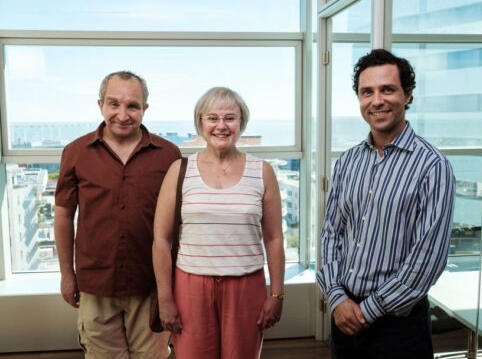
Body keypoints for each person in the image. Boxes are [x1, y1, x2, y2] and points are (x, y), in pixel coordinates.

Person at [317, 49, 456, 359]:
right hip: (344, 316)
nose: (376, 100)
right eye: (367, 92)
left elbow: (428, 258)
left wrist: (367, 311)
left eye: (387, 89)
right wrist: (337, 298)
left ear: (407, 95)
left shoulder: (433, 166)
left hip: (398, 326)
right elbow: (331, 234)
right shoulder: (348, 161)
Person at [54, 70, 181, 358]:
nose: (122, 115)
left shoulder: (169, 155)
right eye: (114, 104)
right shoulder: (76, 152)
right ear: (100, 104)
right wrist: (66, 275)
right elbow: (63, 216)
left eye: (132, 106)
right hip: (95, 284)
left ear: (145, 109)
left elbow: (179, 223)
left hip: (151, 285)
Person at [153, 86, 285, 359]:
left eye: (230, 118)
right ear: (200, 124)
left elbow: (274, 238)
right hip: (190, 287)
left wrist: (277, 295)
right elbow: (162, 240)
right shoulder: (180, 170)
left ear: (241, 123)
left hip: (246, 287)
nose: (221, 126)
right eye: (212, 118)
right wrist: (165, 298)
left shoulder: (262, 171)